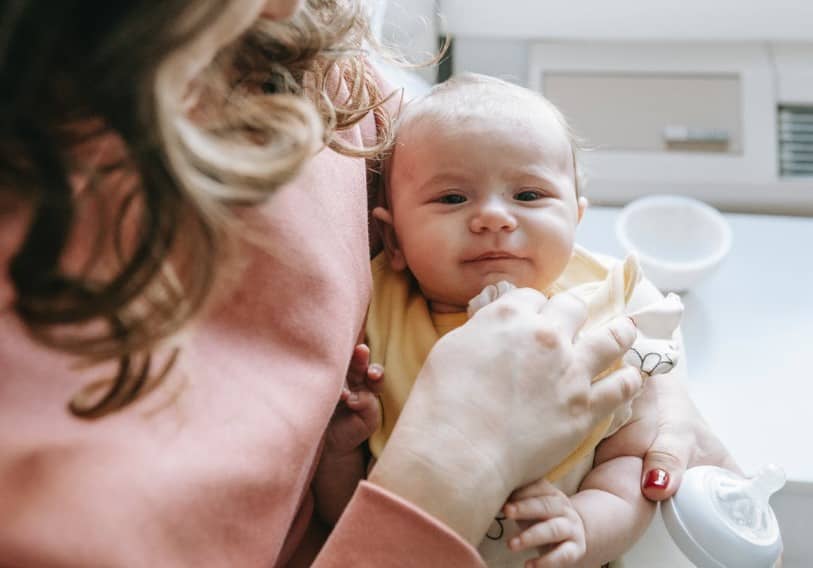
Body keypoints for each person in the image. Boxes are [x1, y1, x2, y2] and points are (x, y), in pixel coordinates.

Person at [0, 1, 737, 566]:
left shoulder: (289, 47)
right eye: (452, 204)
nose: (303, 9)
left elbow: (495, 178)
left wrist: (652, 373)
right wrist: (452, 465)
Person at [311, 73, 688, 567]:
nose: (493, 217)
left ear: (575, 219)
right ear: (395, 239)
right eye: (452, 198)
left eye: (528, 196)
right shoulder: (374, 318)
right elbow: (350, 522)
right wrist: (338, 454)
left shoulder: (603, 305)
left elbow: (630, 465)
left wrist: (586, 527)